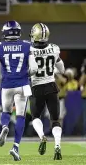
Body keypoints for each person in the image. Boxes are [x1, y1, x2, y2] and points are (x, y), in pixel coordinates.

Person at [0, 21, 38, 161]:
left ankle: (5, 126)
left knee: (6, 111)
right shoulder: (27, 45)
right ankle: (15, 147)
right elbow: (34, 68)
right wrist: (26, 75)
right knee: (21, 116)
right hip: (23, 85)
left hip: (7, 85)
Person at [29, 23, 65, 160]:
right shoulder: (54, 48)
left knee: (36, 117)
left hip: (37, 87)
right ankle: (57, 145)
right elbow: (61, 70)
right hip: (51, 87)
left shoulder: (29, 50)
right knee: (55, 120)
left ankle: (42, 136)